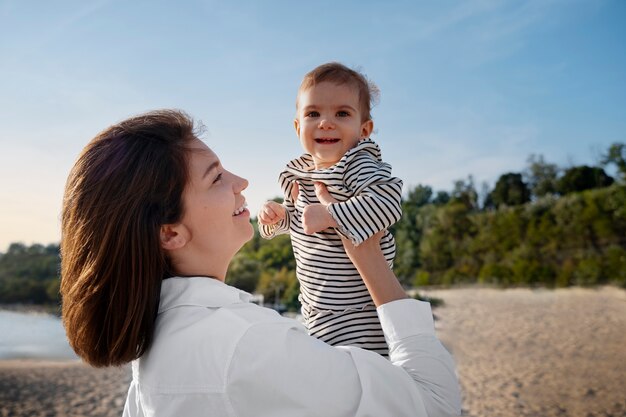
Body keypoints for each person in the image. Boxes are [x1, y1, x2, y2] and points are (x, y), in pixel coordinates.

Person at [60, 109, 461, 416]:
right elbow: (434, 403)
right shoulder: (250, 345)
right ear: (170, 233)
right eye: (216, 178)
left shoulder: (153, 348)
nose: (241, 182)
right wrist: (367, 254)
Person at [258, 62, 402, 356]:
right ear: (298, 126)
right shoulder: (296, 174)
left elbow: (387, 202)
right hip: (316, 312)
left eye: (342, 114)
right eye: (313, 114)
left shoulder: (356, 164)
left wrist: (330, 215)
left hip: (361, 314)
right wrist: (277, 219)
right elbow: (299, 222)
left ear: (364, 130)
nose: (325, 122)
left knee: (365, 385)